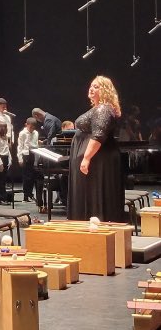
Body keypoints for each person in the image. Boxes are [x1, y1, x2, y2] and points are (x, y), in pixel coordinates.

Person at [67, 77, 124, 222]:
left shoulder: (103, 109)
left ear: (105, 90)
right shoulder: (99, 108)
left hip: (97, 162)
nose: (92, 88)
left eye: (97, 87)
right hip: (96, 160)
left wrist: (86, 158)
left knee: (94, 196)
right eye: (91, 85)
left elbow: (98, 135)